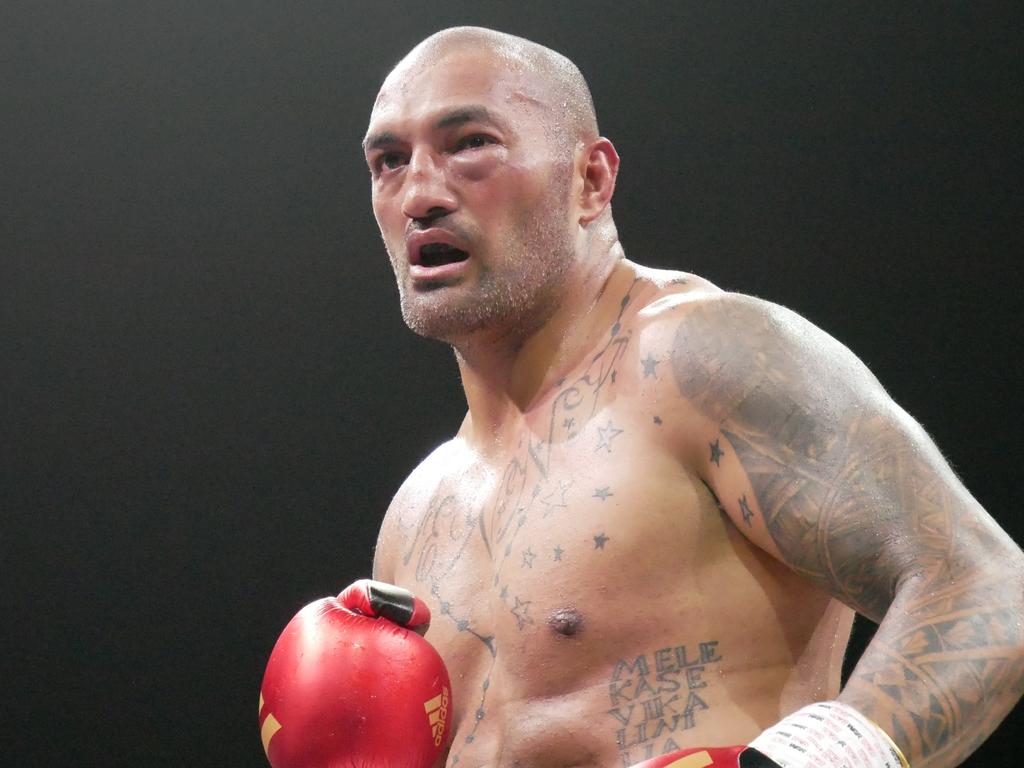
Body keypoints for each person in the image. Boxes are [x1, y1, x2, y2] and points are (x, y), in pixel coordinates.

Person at [260, 26, 1023, 768]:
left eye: (470, 144)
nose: (420, 192)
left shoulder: (701, 359)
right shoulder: (419, 511)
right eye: (388, 161)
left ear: (590, 181)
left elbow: (992, 589)